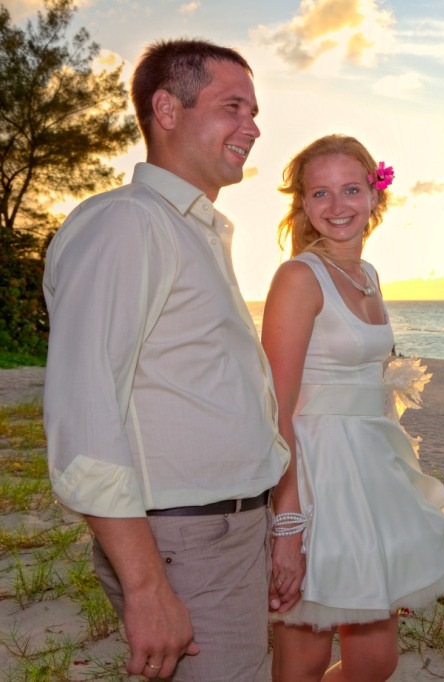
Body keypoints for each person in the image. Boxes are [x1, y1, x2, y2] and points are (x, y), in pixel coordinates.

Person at [43, 39, 289, 680]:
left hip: (223, 534)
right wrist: (147, 587)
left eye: (254, 112)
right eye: (232, 107)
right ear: (167, 109)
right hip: (186, 544)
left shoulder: (191, 229)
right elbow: (85, 413)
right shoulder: (129, 224)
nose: (252, 127)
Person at [261, 134, 444, 681]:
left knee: (376, 661)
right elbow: (274, 408)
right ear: (303, 203)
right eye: (321, 193)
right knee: (303, 661)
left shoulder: (368, 274)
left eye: (351, 189)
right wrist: (289, 522)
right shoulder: (298, 278)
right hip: (315, 478)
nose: (338, 206)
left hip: (370, 470)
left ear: (374, 195)